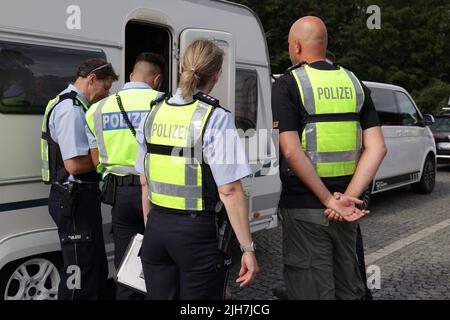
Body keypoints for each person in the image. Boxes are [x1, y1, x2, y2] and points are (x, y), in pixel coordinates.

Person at [271, 16, 387, 300]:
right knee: (349, 288)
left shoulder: (288, 83)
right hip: (347, 209)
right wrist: (346, 198)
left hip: (306, 208)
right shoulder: (354, 82)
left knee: (311, 289)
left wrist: (328, 200)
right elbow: (377, 148)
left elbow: (290, 149)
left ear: (296, 46)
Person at [134, 39, 259, 300]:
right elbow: (230, 190)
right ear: (217, 74)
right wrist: (247, 248)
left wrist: (152, 227)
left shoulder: (153, 113)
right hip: (195, 233)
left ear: (181, 68)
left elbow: (144, 181)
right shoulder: (215, 117)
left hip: (157, 227)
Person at [85, 52, 165, 300]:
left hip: (118, 195)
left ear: (131, 76)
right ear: (157, 79)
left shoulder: (96, 110)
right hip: (156, 193)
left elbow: (96, 161)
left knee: (126, 265)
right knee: (161, 262)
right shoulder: (166, 103)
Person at [40, 58, 118, 299]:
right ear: (92, 79)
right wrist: (106, 160)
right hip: (73, 199)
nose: (105, 95)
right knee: (79, 273)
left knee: (93, 268)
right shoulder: (71, 109)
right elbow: (73, 164)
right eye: (105, 88)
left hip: (76, 199)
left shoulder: (70, 103)